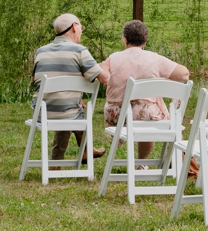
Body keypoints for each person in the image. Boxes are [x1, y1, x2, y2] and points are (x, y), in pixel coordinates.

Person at [98, 19, 190, 162]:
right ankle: (145, 162)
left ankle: (146, 163)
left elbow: (100, 70)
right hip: (147, 115)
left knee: (148, 107)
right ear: (145, 41)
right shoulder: (154, 58)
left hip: (116, 116)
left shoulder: (114, 57)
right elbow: (184, 74)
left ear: (125, 39)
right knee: (152, 109)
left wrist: (108, 79)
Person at [32, 12, 104, 161]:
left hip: (41, 112)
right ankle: (87, 150)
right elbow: (102, 78)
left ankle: (57, 161)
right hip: (67, 112)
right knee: (71, 111)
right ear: (74, 27)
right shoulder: (79, 51)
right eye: (81, 27)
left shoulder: (40, 51)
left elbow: (35, 81)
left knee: (68, 107)